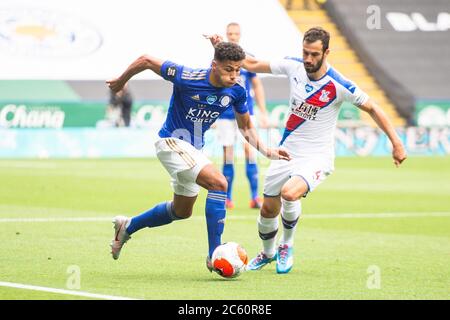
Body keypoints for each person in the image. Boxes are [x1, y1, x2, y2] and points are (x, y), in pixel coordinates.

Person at [206, 27, 407, 274]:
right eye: (305, 53)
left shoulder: (339, 84)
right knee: (268, 209)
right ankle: (268, 253)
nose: (308, 59)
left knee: (290, 194)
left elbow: (374, 108)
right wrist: (221, 47)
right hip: (287, 152)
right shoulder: (294, 67)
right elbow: (252, 63)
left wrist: (396, 143)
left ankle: (286, 246)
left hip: (317, 157)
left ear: (326, 52)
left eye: (314, 54)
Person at [106, 42, 291, 273]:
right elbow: (146, 60)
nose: (234, 75)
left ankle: (128, 226)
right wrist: (122, 81)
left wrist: (266, 150)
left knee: (181, 211)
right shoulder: (187, 77)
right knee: (219, 183)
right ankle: (215, 254)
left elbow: (245, 127)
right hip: (171, 142)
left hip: (193, 150)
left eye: (237, 69)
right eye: (228, 69)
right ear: (214, 65)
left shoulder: (237, 90)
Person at [215, 22, 269, 210]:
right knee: (228, 154)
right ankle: (227, 197)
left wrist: (263, 112)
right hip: (224, 114)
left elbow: (257, 85)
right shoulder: (220, 60)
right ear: (226, 34)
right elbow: (214, 85)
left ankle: (254, 196)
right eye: (230, 33)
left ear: (240, 35)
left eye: (236, 33)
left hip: (246, 112)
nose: (233, 36)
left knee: (249, 151)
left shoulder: (248, 59)